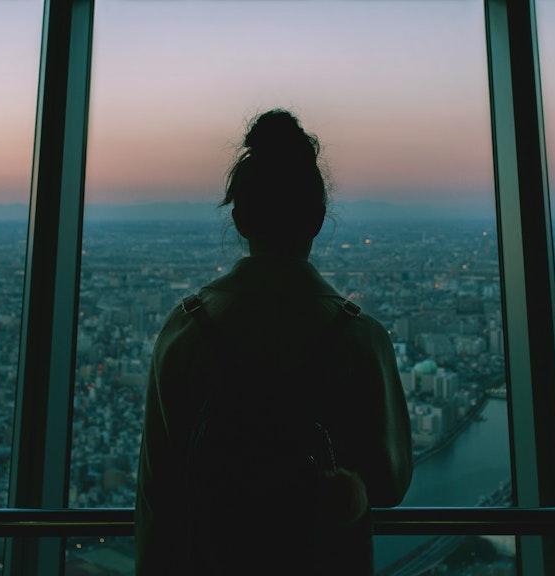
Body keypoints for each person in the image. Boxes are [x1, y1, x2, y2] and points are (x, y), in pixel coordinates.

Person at [135, 109, 412, 575]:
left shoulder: (185, 331)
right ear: (319, 219)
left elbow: (158, 493)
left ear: (240, 220)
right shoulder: (360, 339)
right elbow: (389, 484)